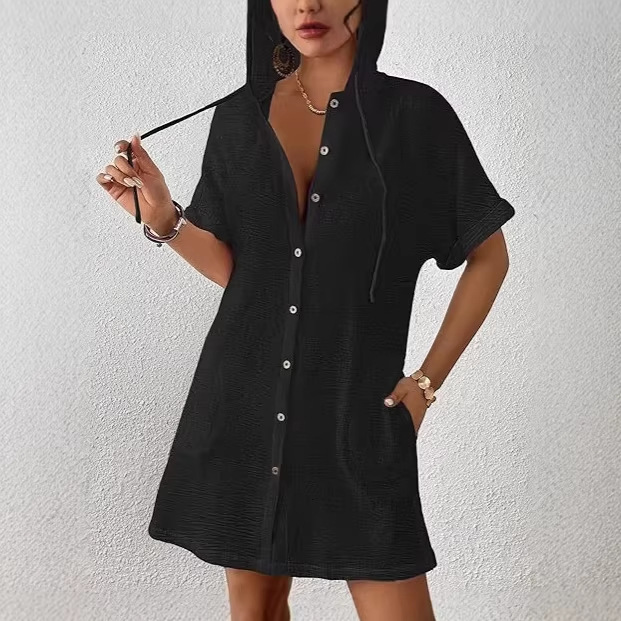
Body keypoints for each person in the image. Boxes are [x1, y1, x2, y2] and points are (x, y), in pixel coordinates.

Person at [96, 0, 515, 619]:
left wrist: (426, 384)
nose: (307, 5)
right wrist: (163, 218)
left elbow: (489, 256)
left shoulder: (415, 117)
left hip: (356, 418)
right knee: (257, 611)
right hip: (243, 409)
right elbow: (249, 275)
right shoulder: (237, 118)